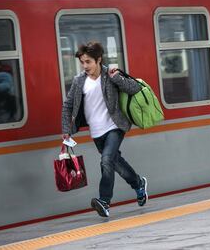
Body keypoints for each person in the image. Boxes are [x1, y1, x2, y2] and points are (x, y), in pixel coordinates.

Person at [61, 42, 148, 217]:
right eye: (82, 63)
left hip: (114, 127)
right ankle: (138, 184)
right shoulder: (79, 82)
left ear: (98, 60)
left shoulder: (110, 75)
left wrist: (117, 78)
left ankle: (104, 202)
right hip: (97, 133)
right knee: (115, 163)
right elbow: (68, 105)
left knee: (106, 161)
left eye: (88, 62)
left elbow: (135, 88)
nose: (85, 66)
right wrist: (66, 129)